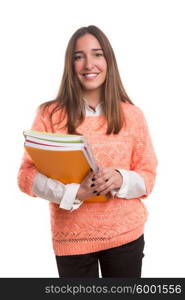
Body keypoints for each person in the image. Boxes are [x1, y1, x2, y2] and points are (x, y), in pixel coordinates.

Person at [17, 25, 158, 278]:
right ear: (70, 65)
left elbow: (148, 176)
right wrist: (73, 192)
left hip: (125, 236)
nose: (88, 64)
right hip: (72, 241)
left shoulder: (132, 115)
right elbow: (26, 176)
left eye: (97, 54)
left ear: (108, 61)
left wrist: (120, 177)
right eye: (78, 56)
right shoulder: (49, 115)